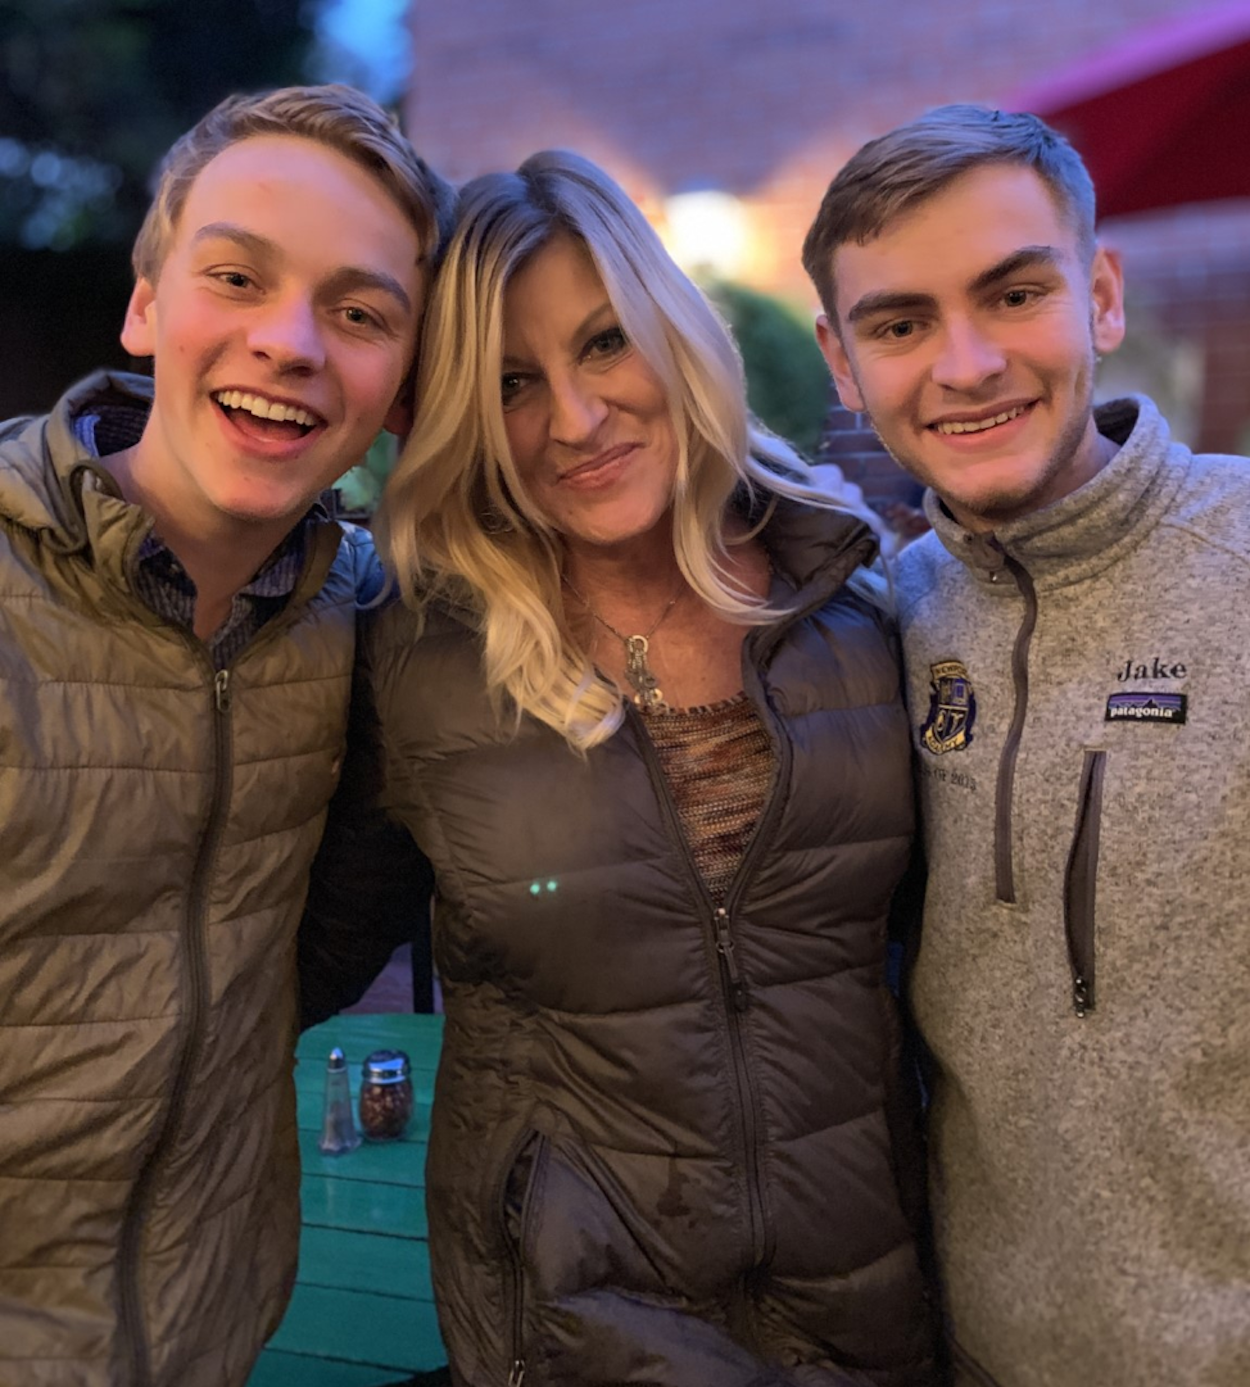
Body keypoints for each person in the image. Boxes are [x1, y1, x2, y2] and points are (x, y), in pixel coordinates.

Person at [316, 147, 941, 1387]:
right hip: (575, 1326)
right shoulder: (411, 659)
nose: (576, 417)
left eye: (604, 343)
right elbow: (270, 959)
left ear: (677, 338)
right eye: (510, 383)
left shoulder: (859, 605)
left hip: (869, 1312)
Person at [0, 84, 452, 1387]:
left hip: (208, 1325)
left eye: (360, 312)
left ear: (403, 382)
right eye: (237, 276)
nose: (291, 340)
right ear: (147, 305)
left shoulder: (360, 624)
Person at [803, 103, 1250, 1387]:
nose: (964, 363)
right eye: (898, 323)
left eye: (1011, 293)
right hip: (983, 1354)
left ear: (1098, 296)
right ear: (842, 365)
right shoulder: (893, 618)